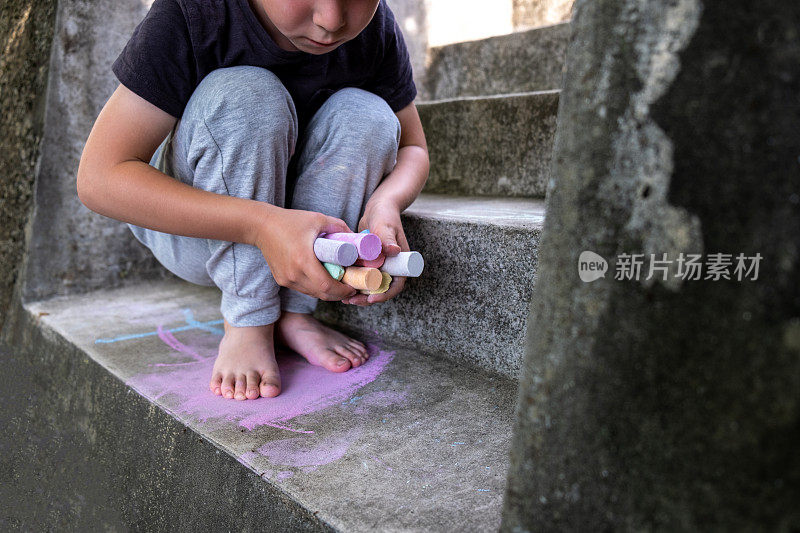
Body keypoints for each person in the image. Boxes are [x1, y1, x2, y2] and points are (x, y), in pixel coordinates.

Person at [76, 0, 429, 401]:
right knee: (246, 97)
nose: (331, 21)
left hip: (305, 237)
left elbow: (413, 146)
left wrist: (385, 202)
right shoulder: (196, 12)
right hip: (200, 236)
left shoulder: (376, 28)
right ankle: (249, 318)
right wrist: (260, 224)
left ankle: (295, 311)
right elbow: (99, 178)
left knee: (370, 115)